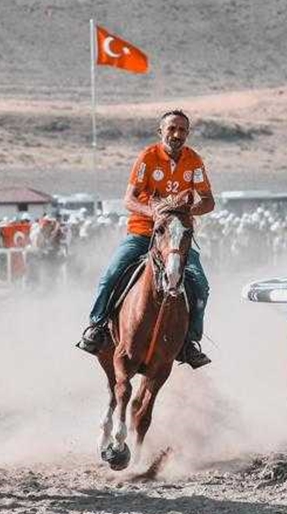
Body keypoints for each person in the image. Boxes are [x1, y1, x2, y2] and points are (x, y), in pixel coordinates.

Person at [76, 109, 214, 368]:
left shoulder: (194, 161)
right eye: (171, 129)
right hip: (142, 233)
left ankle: (190, 342)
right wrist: (155, 212)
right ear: (160, 131)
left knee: (200, 284)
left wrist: (181, 213)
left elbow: (208, 202)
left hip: (176, 239)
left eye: (182, 130)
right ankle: (96, 327)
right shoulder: (147, 158)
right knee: (112, 273)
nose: (177, 134)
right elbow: (129, 199)